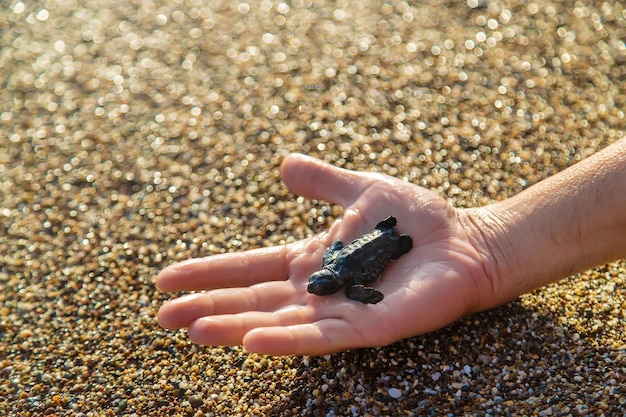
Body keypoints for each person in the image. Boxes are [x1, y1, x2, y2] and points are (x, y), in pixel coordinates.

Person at [156, 138, 626, 356]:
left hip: (384, 242)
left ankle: (397, 240)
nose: (317, 287)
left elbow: (349, 272)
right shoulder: (342, 268)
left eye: (318, 285)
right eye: (320, 285)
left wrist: (368, 289)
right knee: (387, 243)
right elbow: (342, 266)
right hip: (377, 243)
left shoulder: (346, 271)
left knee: (393, 243)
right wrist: (497, 244)